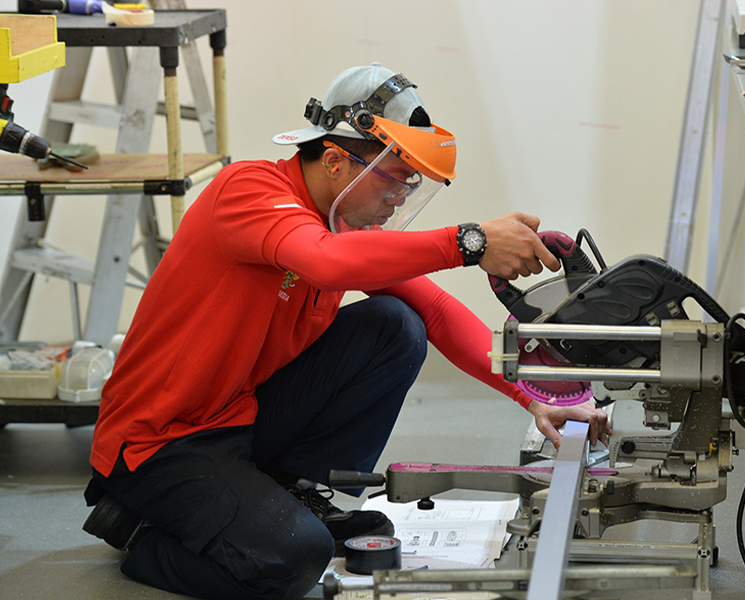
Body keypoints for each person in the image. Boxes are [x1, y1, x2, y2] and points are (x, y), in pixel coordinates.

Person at [82, 63, 611, 600]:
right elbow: (324, 261)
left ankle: (296, 493)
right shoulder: (249, 190)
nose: (401, 196)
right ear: (335, 160)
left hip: (238, 419)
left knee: (396, 326)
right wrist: (469, 242)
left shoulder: (344, 227)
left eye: (411, 182)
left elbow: (434, 312)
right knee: (293, 560)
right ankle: (142, 534)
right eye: (395, 176)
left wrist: (531, 397)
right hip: (157, 441)